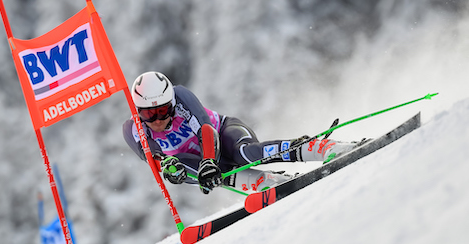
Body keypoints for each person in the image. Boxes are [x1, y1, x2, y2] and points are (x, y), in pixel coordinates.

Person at [123, 71, 361, 194]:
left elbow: (206, 129)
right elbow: (155, 159)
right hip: (200, 162)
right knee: (177, 165)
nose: (156, 120)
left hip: (224, 135)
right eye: (148, 114)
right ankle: (261, 181)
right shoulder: (134, 129)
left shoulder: (180, 96)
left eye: (163, 111)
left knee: (245, 154)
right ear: (139, 111)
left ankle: (318, 148)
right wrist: (170, 168)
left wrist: (208, 160)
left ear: (172, 104)